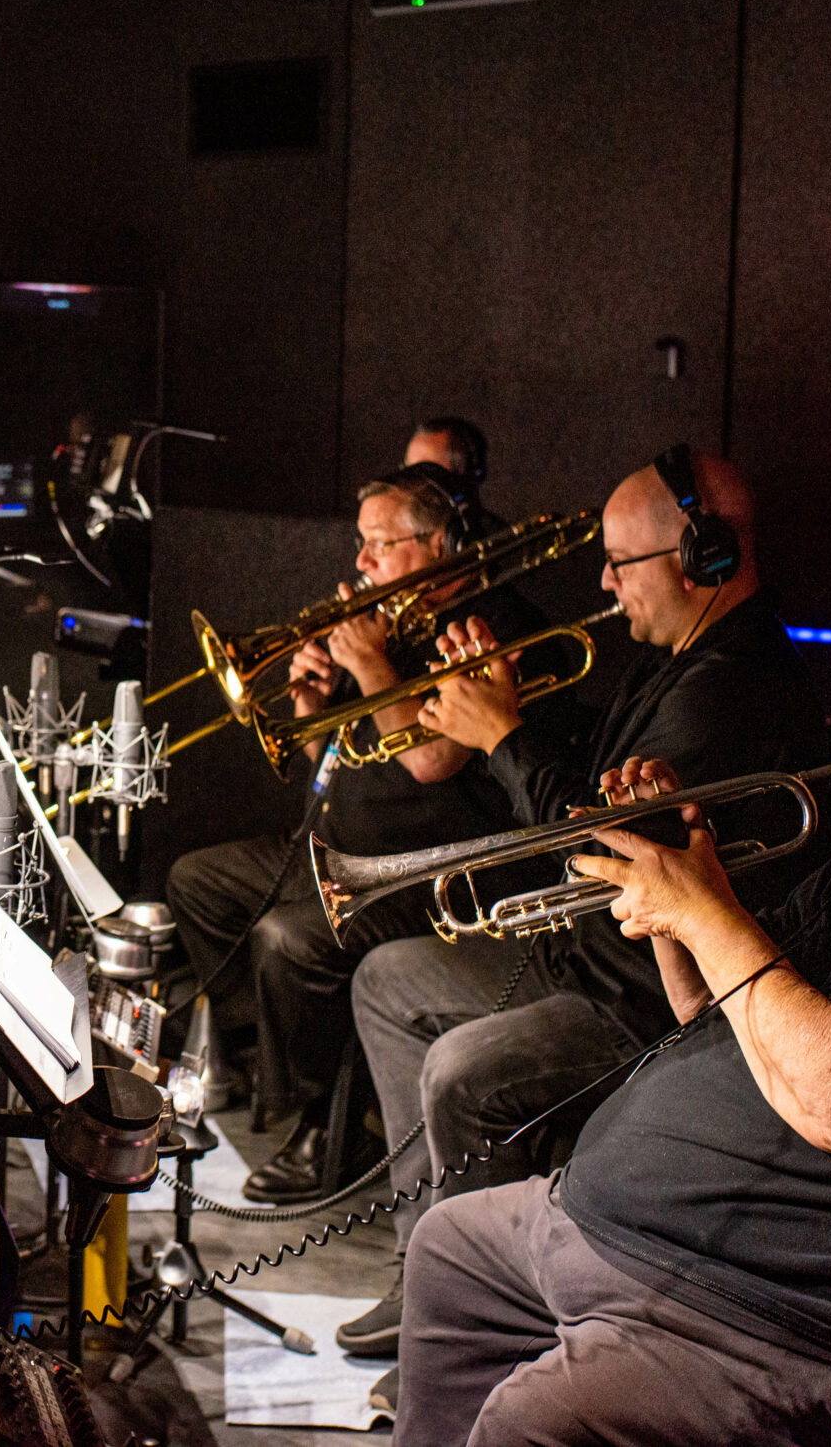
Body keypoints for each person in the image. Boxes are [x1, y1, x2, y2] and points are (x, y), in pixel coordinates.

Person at [395, 571, 831, 1447]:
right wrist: (677, 902)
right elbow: (709, 1012)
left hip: (768, 1303)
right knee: (448, 1248)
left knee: (528, 1424)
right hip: (635, 1222)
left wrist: (707, 913)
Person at [340, 445, 831, 1376]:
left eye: (622, 562)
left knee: (461, 1069)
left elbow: (594, 850)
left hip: (646, 1003)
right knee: (387, 977)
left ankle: (489, 1330)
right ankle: (428, 1268)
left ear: (705, 557)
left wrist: (503, 733)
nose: (604, 582)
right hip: (585, 958)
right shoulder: (669, 659)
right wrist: (502, 709)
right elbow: (589, 795)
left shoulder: (730, 685)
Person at [165, 465, 568, 1202]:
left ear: (440, 543)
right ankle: (290, 1069)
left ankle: (332, 1122)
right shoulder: (394, 622)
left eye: (381, 543)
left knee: (290, 943)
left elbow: (429, 759)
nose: (361, 562)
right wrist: (319, 701)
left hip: (421, 871)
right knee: (198, 883)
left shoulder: (488, 621)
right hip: (334, 846)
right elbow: (348, 752)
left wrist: (370, 664)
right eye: (362, 542)